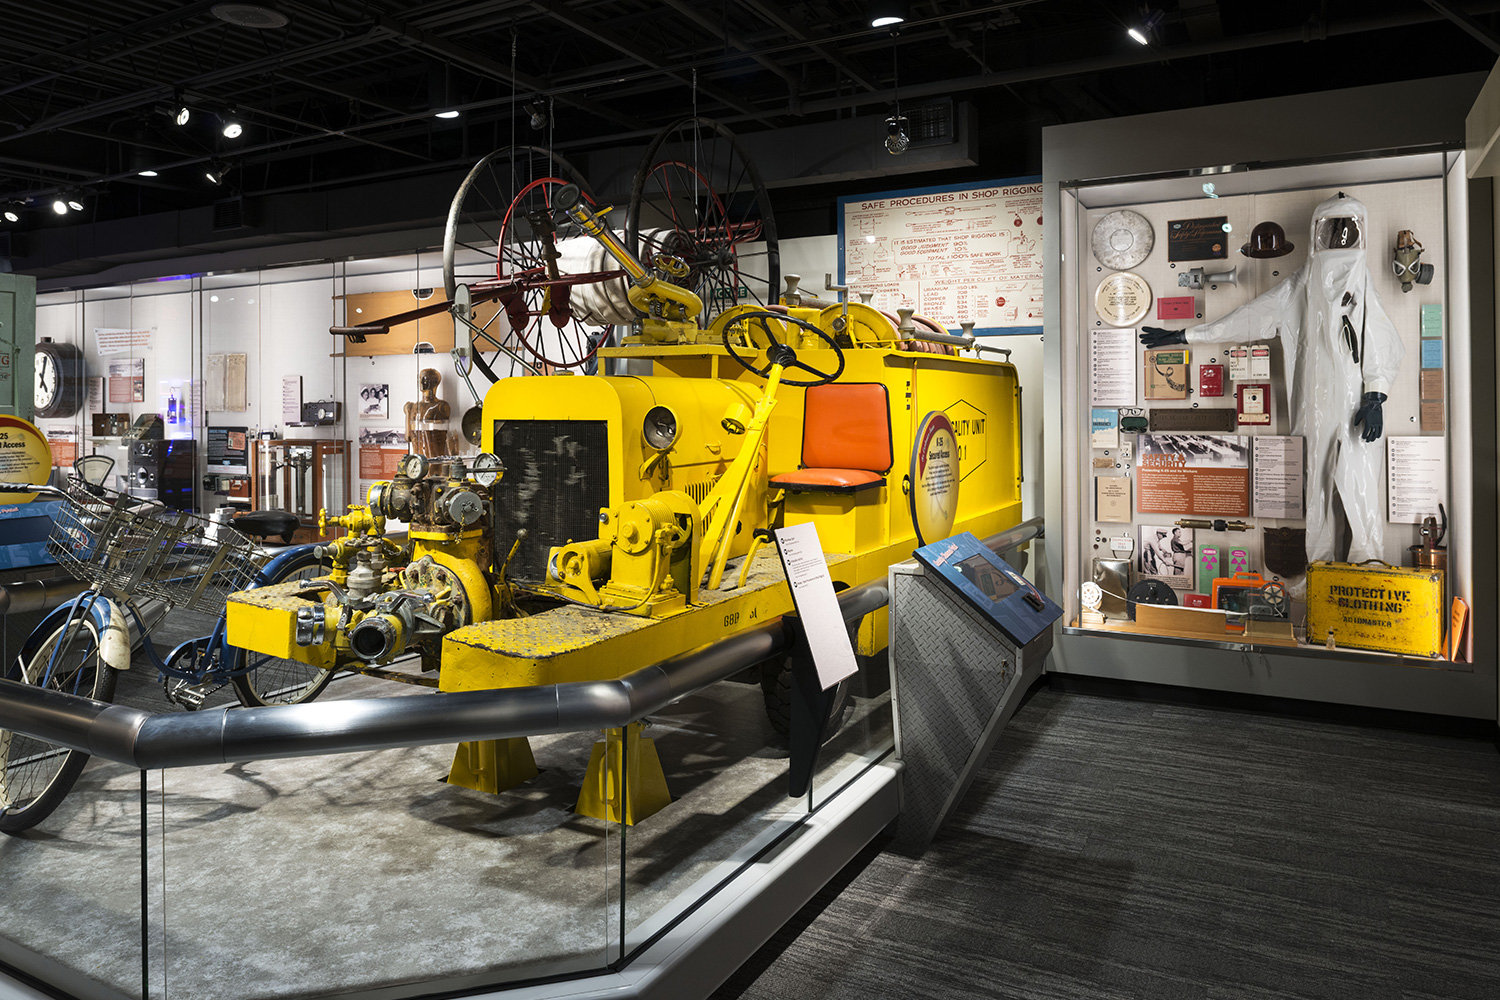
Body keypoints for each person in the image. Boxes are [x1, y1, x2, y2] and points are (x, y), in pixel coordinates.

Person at [1139, 192, 1402, 565]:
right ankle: (1320, 571)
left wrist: (1375, 395)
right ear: (1317, 233)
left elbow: (1383, 343)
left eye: (1347, 230)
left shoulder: (1360, 287)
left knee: (1360, 487)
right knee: (1316, 491)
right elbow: (1245, 319)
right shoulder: (1299, 288)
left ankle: (1369, 566)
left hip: (1356, 406)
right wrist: (1186, 335)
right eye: (1333, 229)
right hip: (1314, 406)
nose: (1339, 240)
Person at [404, 368, 451, 459]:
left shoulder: (441, 406)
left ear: (435, 382)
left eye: (425, 379)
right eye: (420, 378)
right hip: (418, 461)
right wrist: (408, 414)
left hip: (435, 460)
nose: (421, 382)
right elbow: (408, 437)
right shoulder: (414, 407)